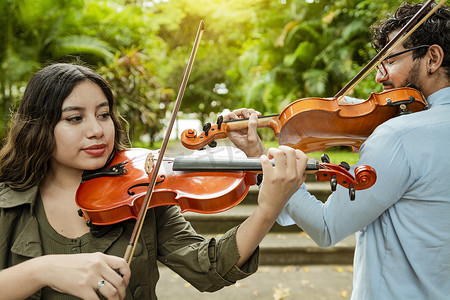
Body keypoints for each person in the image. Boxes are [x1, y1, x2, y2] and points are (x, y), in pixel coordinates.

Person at [0, 63, 308, 299]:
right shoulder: (6, 204)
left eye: (103, 114)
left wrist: (267, 210)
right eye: (74, 118)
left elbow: (207, 268)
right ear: (39, 126)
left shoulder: (142, 194)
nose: (96, 130)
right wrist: (43, 270)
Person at [225, 2, 450, 300]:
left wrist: (260, 155)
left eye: (390, 61)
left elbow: (326, 227)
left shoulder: (399, 136)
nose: (379, 77)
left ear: (432, 58)